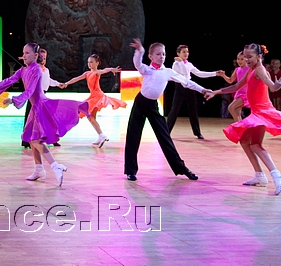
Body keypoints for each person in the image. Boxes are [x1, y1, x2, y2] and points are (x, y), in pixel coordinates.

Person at [205, 43, 281, 195]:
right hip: (256, 113)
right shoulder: (251, 70)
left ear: (259, 57)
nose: (246, 60)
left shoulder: (260, 69)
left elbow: (271, 86)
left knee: (255, 145)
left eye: (249, 57)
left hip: (262, 113)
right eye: (245, 57)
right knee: (244, 141)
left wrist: (276, 85)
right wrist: (215, 92)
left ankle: (276, 174)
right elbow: (236, 86)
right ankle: (260, 176)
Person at [0, 43, 87, 186]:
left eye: (27, 53)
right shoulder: (23, 70)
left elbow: (30, 91)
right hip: (35, 107)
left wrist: (14, 100)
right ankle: (39, 169)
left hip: (41, 107)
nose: (24, 56)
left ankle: (55, 166)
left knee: (36, 140)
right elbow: (9, 80)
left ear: (35, 55)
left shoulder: (37, 70)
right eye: (23, 53)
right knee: (31, 138)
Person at [124, 39, 206, 182]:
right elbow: (137, 63)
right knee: (133, 136)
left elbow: (186, 82)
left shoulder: (168, 72)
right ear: (150, 56)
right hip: (140, 103)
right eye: (158, 54)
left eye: (163, 54)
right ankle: (131, 171)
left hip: (153, 106)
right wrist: (140, 51)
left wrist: (203, 90)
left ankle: (182, 168)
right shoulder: (146, 69)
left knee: (165, 138)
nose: (161, 56)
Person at [64, 53, 125, 147]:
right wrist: (66, 83)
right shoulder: (87, 73)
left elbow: (104, 70)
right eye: (88, 62)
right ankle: (100, 136)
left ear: (97, 63)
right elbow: (77, 78)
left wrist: (111, 69)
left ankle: (102, 135)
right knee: (92, 117)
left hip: (97, 97)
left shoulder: (96, 72)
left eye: (92, 62)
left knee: (90, 116)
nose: (89, 64)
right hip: (93, 96)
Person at [166, 45, 223, 139]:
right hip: (180, 87)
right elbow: (184, 74)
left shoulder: (189, 64)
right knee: (174, 110)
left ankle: (197, 132)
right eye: (184, 52)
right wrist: (181, 62)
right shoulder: (175, 64)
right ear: (178, 53)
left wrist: (215, 73)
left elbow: (200, 74)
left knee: (193, 110)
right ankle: (167, 132)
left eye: (187, 52)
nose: (186, 54)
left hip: (190, 87)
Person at [21, 48, 66, 148]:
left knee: (48, 118)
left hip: (43, 96)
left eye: (45, 58)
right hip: (34, 96)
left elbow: (48, 81)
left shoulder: (46, 70)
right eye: (41, 58)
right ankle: (27, 140)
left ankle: (52, 138)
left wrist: (58, 84)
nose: (43, 60)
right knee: (31, 119)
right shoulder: (34, 69)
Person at [220, 51, 251, 122]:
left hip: (246, 93)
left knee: (231, 107)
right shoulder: (237, 70)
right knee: (237, 112)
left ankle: (240, 126)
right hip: (238, 93)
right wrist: (223, 75)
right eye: (238, 59)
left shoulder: (249, 69)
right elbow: (230, 80)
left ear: (246, 59)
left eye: (242, 59)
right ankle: (241, 127)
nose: (239, 61)